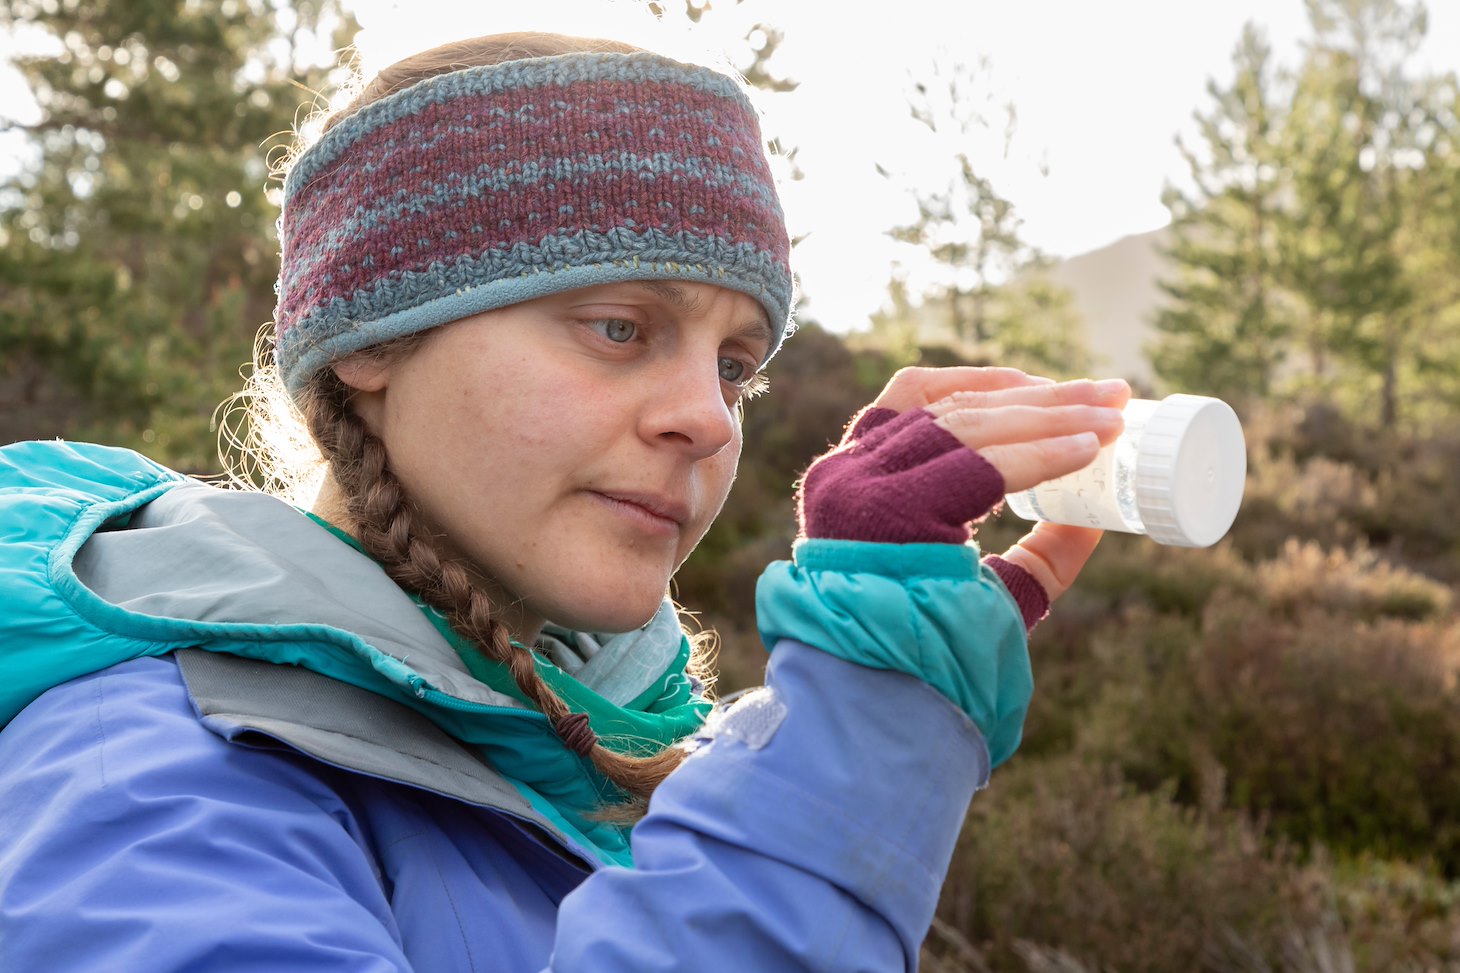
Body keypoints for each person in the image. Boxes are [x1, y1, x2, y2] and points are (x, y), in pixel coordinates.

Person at [0, 29, 1130, 971]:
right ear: (374, 344)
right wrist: (857, 722)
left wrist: (851, 728)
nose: (709, 417)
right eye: (619, 328)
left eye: (734, 363)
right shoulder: (142, 782)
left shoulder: (569, 748)